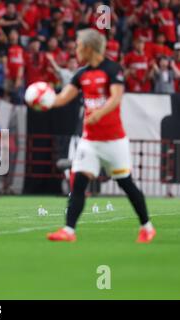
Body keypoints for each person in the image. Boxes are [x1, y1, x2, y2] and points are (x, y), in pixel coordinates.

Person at [41, 28, 156, 243]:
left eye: (77, 45)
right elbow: (61, 99)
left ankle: (146, 226)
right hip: (90, 142)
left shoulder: (112, 69)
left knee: (126, 184)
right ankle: (68, 230)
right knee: (79, 184)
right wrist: (43, 99)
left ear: (88, 47)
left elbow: (116, 98)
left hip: (114, 140)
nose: (75, 49)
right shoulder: (81, 75)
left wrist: (97, 114)